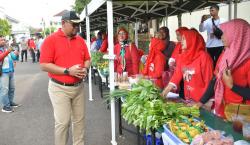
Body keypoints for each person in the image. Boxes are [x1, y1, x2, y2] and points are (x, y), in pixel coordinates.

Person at [39, 11, 90, 145]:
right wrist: (68, 71)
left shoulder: (80, 40)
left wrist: (85, 68)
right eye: (73, 25)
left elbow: (87, 59)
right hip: (59, 88)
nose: (76, 28)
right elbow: (44, 65)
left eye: (78, 25)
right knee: (63, 123)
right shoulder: (51, 40)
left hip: (78, 87)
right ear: (63, 23)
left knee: (79, 121)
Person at [199, 19, 250, 118]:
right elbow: (215, 79)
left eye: (225, 33)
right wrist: (201, 102)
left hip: (242, 118)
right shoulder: (225, 55)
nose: (221, 37)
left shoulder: (248, 61)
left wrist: (232, 86)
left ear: (237, 36)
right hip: (222, 112)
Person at [162, 29, 213, 102]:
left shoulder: (204, 57)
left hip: (202, 100)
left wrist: (208, 101)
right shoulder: (182, 56)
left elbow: (209, 80)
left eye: (184, 39)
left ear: (191, 40)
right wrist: (167, 89)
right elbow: (177, 74)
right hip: (189, 99)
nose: (181, 41)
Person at [0, 35, 20, 113]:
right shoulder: (6, 50)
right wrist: (7, 51)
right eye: (1, 40)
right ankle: (5, 106)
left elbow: (13, 57)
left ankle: (10, 102)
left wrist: (16, 54)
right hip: (3, 72)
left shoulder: (6, 48)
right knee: (4, 90)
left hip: (11, 71)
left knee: (12, 88)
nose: (3, 41)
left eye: (4, 40)